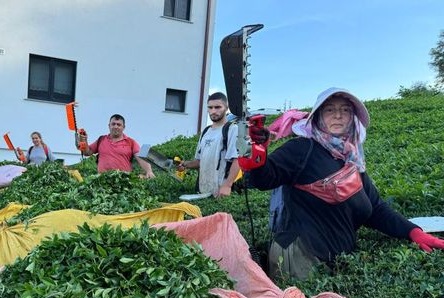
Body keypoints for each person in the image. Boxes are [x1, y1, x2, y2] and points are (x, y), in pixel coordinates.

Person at [244, 87, 444, 280]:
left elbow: (376, 208)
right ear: (318, 116)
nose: (338, 115)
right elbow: (264, 178)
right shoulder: (302, 148)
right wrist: (256, 155)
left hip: (338, 262)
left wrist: (413, 231)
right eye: (330, 109)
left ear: (352, 118)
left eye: (345, 110)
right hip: (300, 260)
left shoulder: (352, 159)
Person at [178, 92, 241, 197]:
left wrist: (227, 186)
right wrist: (185, 164)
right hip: (202, 191)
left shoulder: (232, 129)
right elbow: (199, 161)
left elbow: (237, 160)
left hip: (221, 193)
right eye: (210, 107)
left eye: (217, 107)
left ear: (226, 108)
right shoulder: (206, 131)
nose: (213, 111)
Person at [80, 114, 155, 178]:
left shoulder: (131, 142)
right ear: (109, 126)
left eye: (119, 125)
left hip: (123, 180)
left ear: (123, 127)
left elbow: (141, 157)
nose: (115, 126)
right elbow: (87, 152)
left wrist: (149, 171)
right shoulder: (101, 139)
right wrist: (84, 141)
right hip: (102, 180)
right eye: (113, 124)